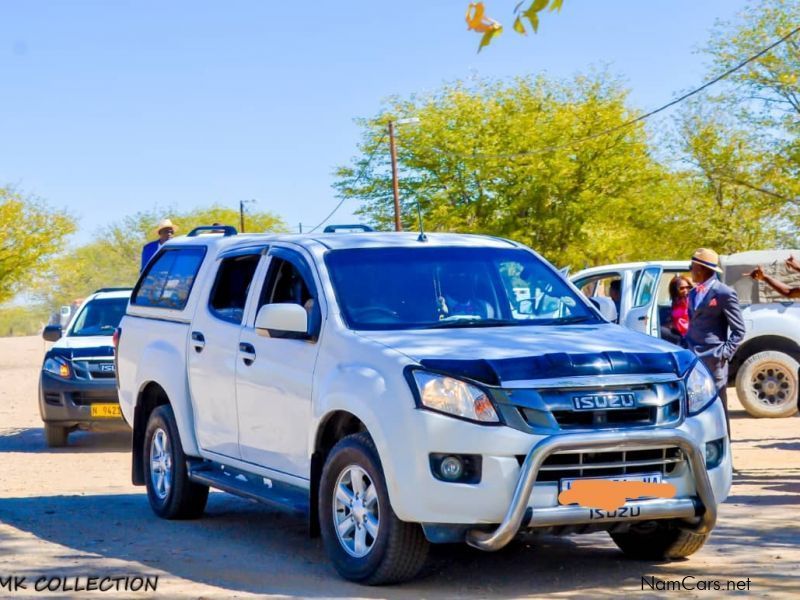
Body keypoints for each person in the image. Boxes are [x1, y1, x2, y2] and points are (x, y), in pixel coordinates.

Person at [685, 248, 746, 438]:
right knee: (694, 405)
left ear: (702, 268)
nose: (690, 270)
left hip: (714, 360)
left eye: (692, 266)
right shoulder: (693, 293)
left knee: (718, 407)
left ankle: (726, 454)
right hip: (693, 359)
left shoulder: (724, 293)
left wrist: (723, 354)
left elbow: (739, 330)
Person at [660, 275, 692, 344]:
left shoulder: (691, 300)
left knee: (661, 331)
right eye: (682, 288)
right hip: (678, 333)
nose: (685, 290)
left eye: (687, 287)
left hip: (688, 335)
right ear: (675, 290)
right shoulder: (676, 302)